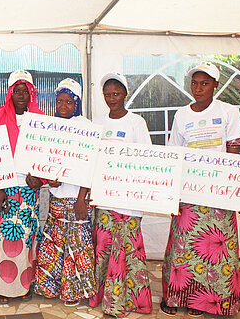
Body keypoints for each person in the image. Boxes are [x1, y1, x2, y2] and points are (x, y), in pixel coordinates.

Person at [161, 62, 240, 316]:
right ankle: (180, 298)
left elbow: (233, 152)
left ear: (215, 86)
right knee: (184, 248)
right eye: (194, 83)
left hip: (217, 193)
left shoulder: (229, 111)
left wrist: (229, 189)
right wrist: (173, 192)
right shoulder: (181, 115)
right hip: (188, 192)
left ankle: (206, 301)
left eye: (204, 83)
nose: (198, 88)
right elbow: (174, 154)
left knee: (214, 249)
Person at [88, 73, 153, 317]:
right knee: (104, 247)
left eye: (116, 94)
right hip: (105, 198)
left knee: (128, 249)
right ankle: (103, 297)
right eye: (107, 95)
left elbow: (146, 159)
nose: (111, 99)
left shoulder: (137, 123)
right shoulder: (98, 123)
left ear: (125, 94)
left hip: (130, 199)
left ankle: (133, 301)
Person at [34, 78, 97, 306]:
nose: (63, 106)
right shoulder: (53, 127)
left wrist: (82, 199)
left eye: (68, 102)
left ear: (77, 103)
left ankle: (75, 292)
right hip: (57, 198)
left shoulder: (87, 128)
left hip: (77, 199)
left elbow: (91, 166)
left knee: (77, 247)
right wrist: (50, 179)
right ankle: (51, 288)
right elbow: (49, 161)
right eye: (59, 101)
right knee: (56, 244)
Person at [0, 69, 45, 304]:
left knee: (28, 237)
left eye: (25, 91)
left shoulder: (40, 118)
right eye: (17, 91)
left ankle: (24, 286)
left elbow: (46, 154)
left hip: (30, 190)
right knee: (7, 238)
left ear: (31, 93)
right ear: (10, 93)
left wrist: (40, 179)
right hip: (8, 189)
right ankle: (3, 287)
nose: (21, 95)